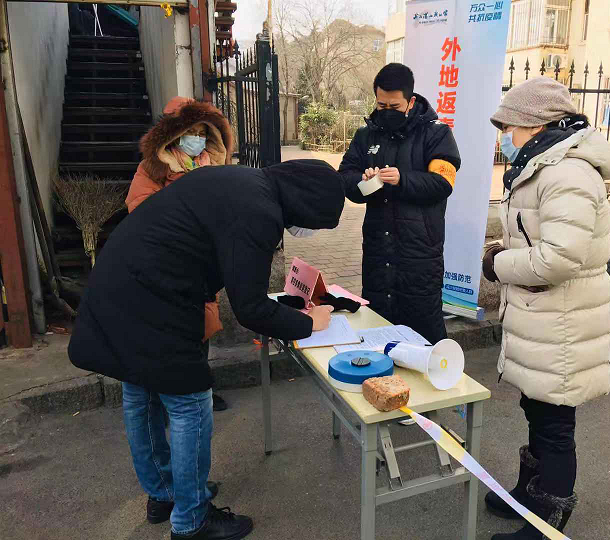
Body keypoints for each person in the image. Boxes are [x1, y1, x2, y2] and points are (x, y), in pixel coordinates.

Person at [68, 159, 343, 540]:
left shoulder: (243, 180)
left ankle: (165, 493)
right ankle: (192, 520)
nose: (308, 231)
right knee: (190, 405)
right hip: (156, 299)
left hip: (121, 284)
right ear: (306, 204)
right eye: (316, 223)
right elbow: (250, 308)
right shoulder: (260, 211)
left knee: (141, 393)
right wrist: (310, 323)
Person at [482, 77, 610, 539]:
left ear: (537, 124)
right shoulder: (541, 166)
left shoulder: (567, 174)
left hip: (562, 324)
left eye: (510, 127)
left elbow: (558, 259)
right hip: (542, 318)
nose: (505, 136)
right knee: (536, 409)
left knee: (554, 424)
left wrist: (498, 263)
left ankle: (547, 522)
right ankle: (530, 493)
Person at [339, 63, 461, 344]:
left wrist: (402, 179)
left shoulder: (437, 133)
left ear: (411, 101)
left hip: (419, 254)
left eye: (394, 106)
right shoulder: (366, 135)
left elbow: (443, 183)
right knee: (378, 333)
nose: (387, 111)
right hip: (377, 252)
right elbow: (344, 178)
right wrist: (363, 181)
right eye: (381, 105)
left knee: (424, 336)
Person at [127, 96, 234, 412]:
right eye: (190, 132)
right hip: (167, 262)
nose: (197, 139)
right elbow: (140, 209)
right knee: (171, 331)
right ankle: (170, 394)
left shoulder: (216, 168)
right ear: (174, 134)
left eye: (202, 133)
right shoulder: (152, 169)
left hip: (204, 263)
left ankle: (200, 388)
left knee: (202, 327)